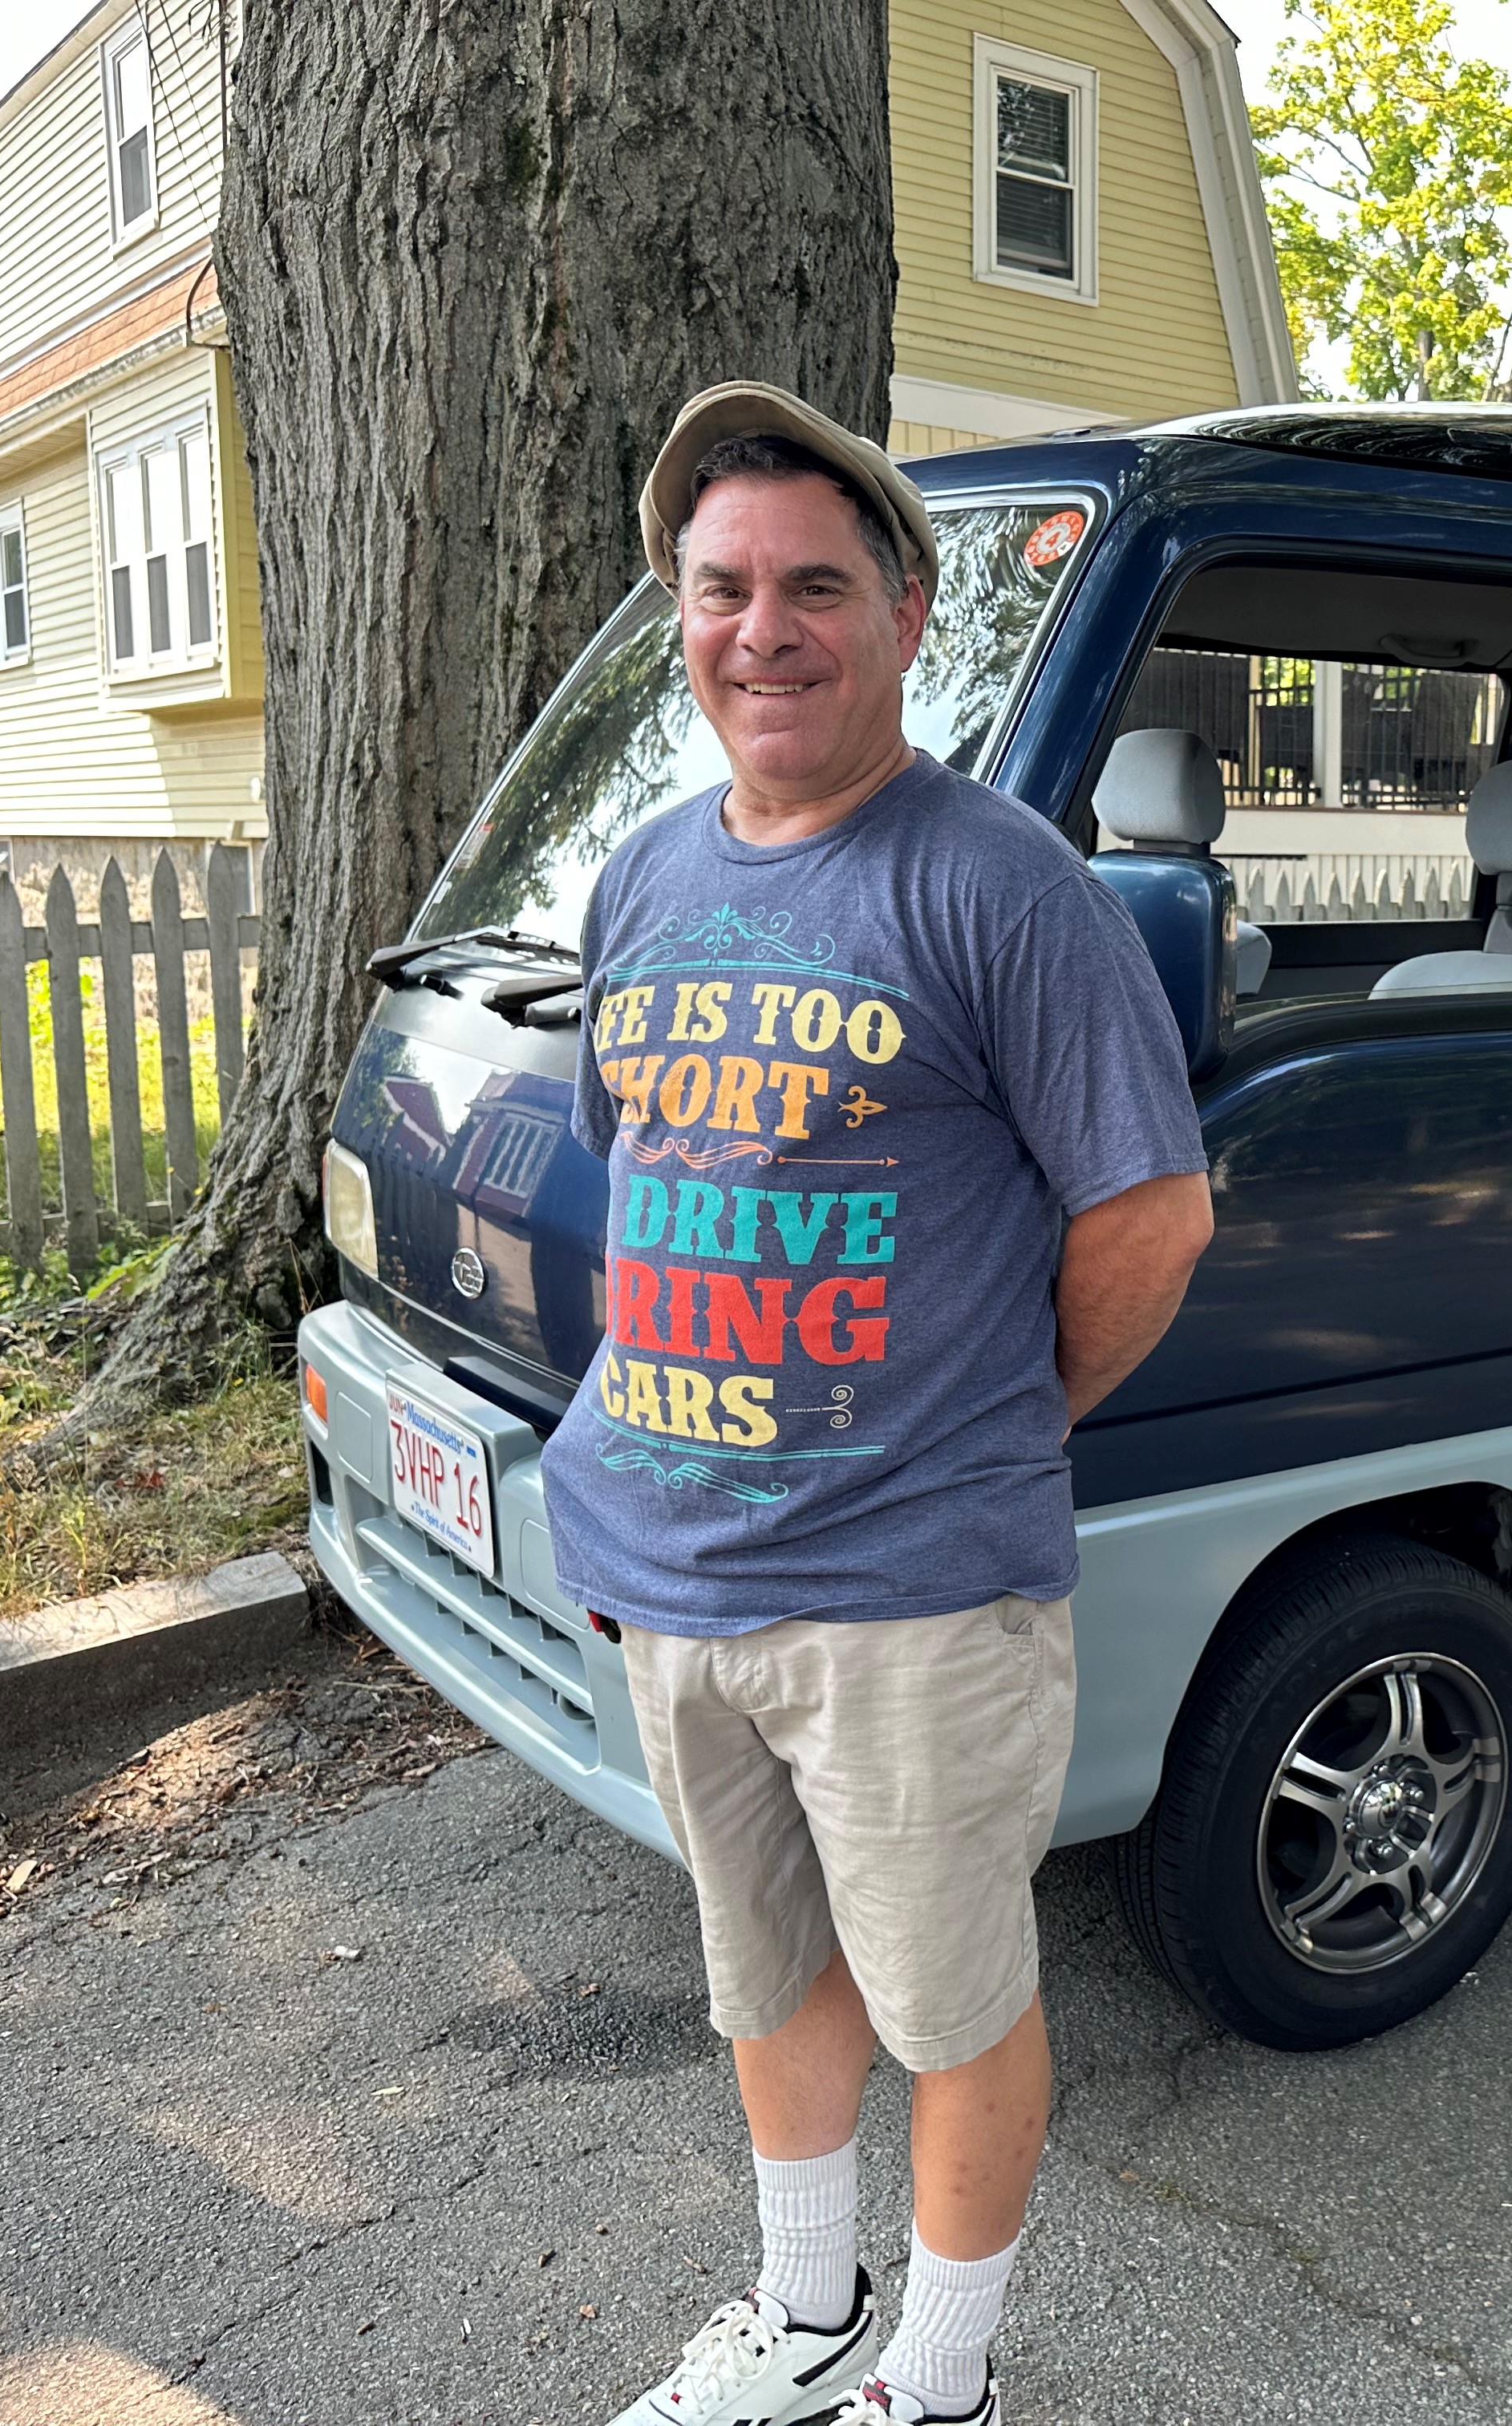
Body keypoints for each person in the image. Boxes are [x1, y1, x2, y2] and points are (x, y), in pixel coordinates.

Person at [549, 383, 1214, 2426]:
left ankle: (940, 2383)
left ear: (909, 614)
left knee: (952, 2001)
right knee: (768, 1978)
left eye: (814, 586)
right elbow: (649, 1188)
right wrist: (626, 1487)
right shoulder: (645, 878)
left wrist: (992, 1419)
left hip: (915, 1587)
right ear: (682, 613)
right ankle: (806, 2309)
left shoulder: (1004, 889)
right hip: (681, 1571)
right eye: (722, 587)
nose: (765, 628)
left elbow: (1153, 1215)